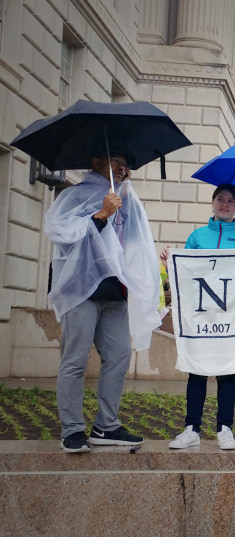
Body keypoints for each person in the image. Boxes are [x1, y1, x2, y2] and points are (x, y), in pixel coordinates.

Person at [44, 153, 160, 453]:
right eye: (116, 162)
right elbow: (63, 235)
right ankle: (72, 430)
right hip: (81, 290)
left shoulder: (125, 198)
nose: (123, 168)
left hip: (114, 293)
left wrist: (123, 201)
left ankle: (106, 426)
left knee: (120, 355)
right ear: (96, 162)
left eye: (125, 164)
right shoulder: (75, 195)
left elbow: (135, 242)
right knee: (75, 360)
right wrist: (101, 213)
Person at [161, 183, 235, 450]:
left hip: (230, 317)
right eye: (220, 199)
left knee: (227, 372)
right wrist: (171, 262)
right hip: (201, 316)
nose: (225, 204)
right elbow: (186, 275)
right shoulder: (197, 236)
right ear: (213, 202)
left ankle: (225, 428)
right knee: (197, 370)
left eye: (231, 200)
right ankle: (191, 428)